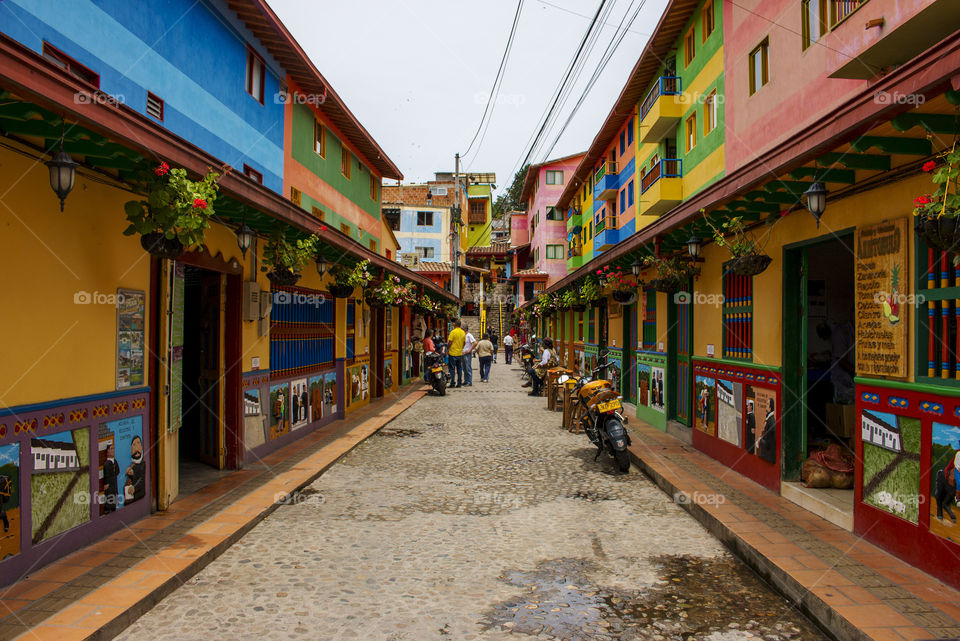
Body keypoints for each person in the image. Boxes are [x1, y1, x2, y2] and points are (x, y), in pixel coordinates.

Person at [447, 320, 466, 388]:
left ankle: (452, 383)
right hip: (460, 353)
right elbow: (464, 342)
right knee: (459, 369)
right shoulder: (463, 332)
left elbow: (450, 342)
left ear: (455, 324)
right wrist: (461, 348)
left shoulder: (453, 332)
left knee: (452, 369)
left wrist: (447, 349)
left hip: (452, 353)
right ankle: (459, 383)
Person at [102, 443, 120, 513]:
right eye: (111, 449)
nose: (113, 450)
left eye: (113, 448)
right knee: (109, 498)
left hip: (114, 483)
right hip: (109, 485)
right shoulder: (107, 463)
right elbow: (106, 474)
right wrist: (106, 483)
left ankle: (113, 508)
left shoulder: (114, 461)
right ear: (108, 451)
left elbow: (117, 471)